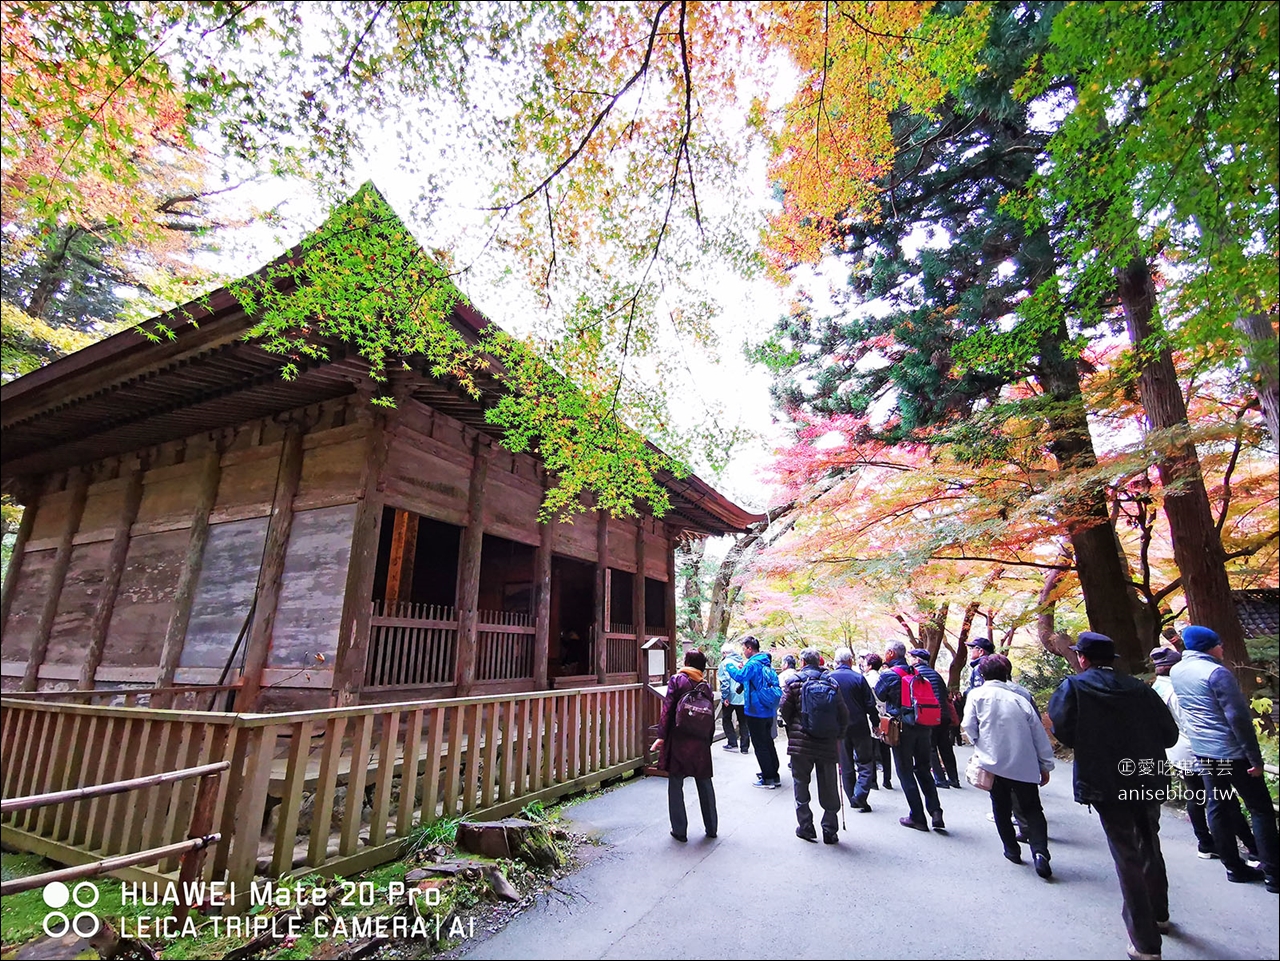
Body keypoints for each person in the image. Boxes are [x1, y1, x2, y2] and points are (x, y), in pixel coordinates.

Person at [1048, 632, 1179, 961]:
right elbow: (1169, 733)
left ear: (1082, 658)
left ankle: (1145, 943)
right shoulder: (1140, 689)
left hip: (1105, 779)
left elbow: (1063, 729)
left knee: (1126, 853)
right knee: (1149, 839)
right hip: (1145, 776)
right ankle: (1160, 914)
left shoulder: (1074, 688)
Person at [1169, 625, 1278, 893]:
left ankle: (1234, 868)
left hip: (1203, 752)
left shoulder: (1177, 671)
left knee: (1216, 805)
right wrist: (1254, 758)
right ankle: (1274, 874)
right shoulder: (1217, 673)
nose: (1222, 648)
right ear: (1209, 647)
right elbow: (1238, 718)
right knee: (1260, 808)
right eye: (1219, 644)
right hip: (1232, 751)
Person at [1149, 645, 1259, 865]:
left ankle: (1206, 842)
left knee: (1196, 794)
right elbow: (1192, 723)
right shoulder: (1175, 691)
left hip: (1175, 750)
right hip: (1196, 749)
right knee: (1223, 800)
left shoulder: (1156, 688)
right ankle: (1251, 847)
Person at [963, 654, 1055, 878]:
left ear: (982, 674)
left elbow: (969, 726)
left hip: (993, 763)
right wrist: (1045, 764)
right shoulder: (1020, 699)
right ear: (1006, 673)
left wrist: (981, 744)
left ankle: (1011, 850)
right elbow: (1038, 735)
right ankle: (1040, 853)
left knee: (1000, 807)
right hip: (1024, 763)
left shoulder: (977, 695)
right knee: (1033, 808)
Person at [779, 647, 850, 843]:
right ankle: (830, 829)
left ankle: (806, 826)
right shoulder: (832, 683)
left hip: (801, 743)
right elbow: (843, 714)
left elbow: (784, 709)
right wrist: (839, 735)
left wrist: (794, 725)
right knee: (829, 785)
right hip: (827, 741)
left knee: (801, 783)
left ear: (802, 662)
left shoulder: (794, 682)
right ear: (819, 661)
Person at [875, 640, 944, 831]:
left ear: (890, 653)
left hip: (902, 728)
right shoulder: (916, 672)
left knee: (905, 770)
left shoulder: (889, 675)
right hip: (923, 725)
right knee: (923, 768)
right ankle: (936, 811)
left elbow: (880, 696)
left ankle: (918, 817)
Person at [652, 649, 717, 842]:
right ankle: (711, 827)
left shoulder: (678, 680)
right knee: (704, 782)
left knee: (676, 783)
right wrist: (708, 739)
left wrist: (661, 736)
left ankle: (680, 830)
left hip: (679, 738)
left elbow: (668, 709)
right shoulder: (705, 686)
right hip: (700, 741)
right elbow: (710, 715)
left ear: (687, 662)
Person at [721, 635, 783, 788]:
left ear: (749, 648)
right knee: (768, 742)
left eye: (744, 649)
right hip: (768, 709)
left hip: (756, 710)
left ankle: (768, 778)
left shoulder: (753, 664)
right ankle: (774, 774)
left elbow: (739, 677)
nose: (743, 652)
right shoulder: (765, 663)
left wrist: (728, 664)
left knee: (759, 744)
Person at [830, 646, 879, 813]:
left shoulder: (829, 678)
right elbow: (870, 704)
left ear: (836, 662)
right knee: (865, 761)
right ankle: (860, 795)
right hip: (859, 725)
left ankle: (853, 797)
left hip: (839, 727)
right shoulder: (858, 678)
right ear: (850, 661)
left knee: (846, 764)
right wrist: (876, 722)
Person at [909, 647, 959, 789]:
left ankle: (940, 779)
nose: (910, 660)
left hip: (929, 715)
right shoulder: (936, 675)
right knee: (946, 747)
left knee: (931, 747)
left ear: (917, 660)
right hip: (944, 715)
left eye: (912, 658)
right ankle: (954, 778)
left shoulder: (915, 674)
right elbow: (944, 695)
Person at [863, 652, 893, 790]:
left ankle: (873, 780)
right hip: (885, 715)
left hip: (871, 716)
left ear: (869, 666)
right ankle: (887, 779)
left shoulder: (865, 679)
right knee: (885, 748)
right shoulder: (883, 677)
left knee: (871, 749)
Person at [718, 643, 751, 754]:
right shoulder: (743, 662)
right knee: (743, 721)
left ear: (724, 653)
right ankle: (745, 747)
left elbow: (725, 682)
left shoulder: (725, 663)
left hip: (731, 696)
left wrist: (725, 696)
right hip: (743, 696)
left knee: (726, 719)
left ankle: (732, 742)